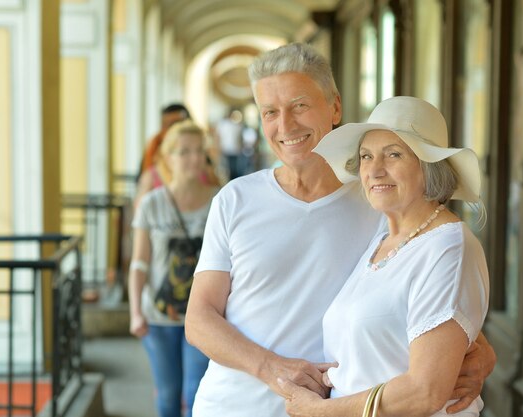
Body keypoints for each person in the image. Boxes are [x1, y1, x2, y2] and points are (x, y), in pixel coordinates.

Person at [185, 43, 495, 417]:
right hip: (232, 405)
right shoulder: (235, 199)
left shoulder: (381, 201)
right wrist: (274, 370)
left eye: (300, 105)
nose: (286, 126)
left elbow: (438, 297)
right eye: (270, 112)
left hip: (335, 407)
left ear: (334, 107)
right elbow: (199, 319)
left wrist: (483, 353)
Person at [277, 96, 489, 417]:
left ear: (428, 166)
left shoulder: (448, 248)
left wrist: (320, 411)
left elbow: (424, 392)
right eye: (366, 156)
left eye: (393, 154)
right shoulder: (384, 237)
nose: (375, 170)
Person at [129, 120, 217, 417]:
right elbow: (139, 263)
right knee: (167, 395)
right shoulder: (152, 204)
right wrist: (135, 312)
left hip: (205, 314)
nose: (194, 158)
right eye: (184, 152)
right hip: (158, 316)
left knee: (196, 392)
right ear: (167, 158)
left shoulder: (221, 200)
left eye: (198, 151)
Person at [135, 103, 219, 206]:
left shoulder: (205, 167)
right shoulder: (152, 150)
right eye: (167, 125)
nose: (172, 129)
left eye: (177, 123)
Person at [214, 108, 245, 179]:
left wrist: (241, 147)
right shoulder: (223, 124)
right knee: (226, 168)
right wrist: (218, 147)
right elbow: (218, 137)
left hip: (235, 150)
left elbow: (240, 138)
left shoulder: (238, 125)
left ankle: (233, 180)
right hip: (225, 149)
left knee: (234, 168)